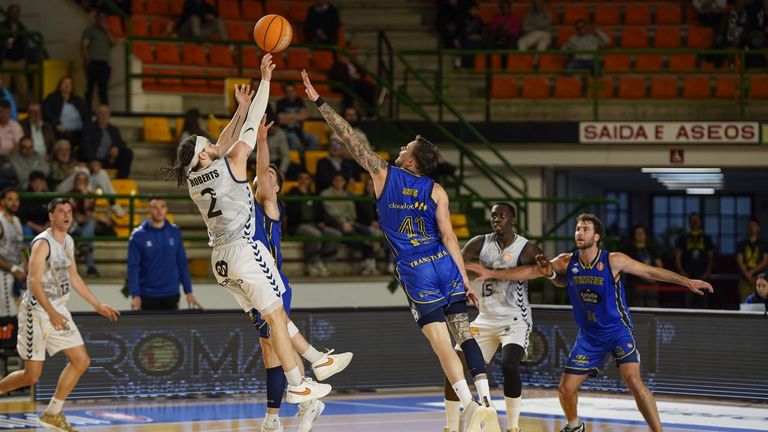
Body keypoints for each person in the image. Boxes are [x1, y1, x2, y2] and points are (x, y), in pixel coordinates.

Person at [302, 69, 499, 432]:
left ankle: (470, 406)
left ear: (411, 161)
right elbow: (451, 239)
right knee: (464, 333)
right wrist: (462, 276)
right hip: (444, 265)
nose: (402, 147)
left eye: (407, 146)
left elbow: (348, 138)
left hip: (416, 268)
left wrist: (319, 101)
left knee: (442, 344)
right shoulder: (437, 190)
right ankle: (486, 399)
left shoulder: (384, 173)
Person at [163, 55, 331, 404]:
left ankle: (312, 368)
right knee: (275, 315)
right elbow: (251, 128)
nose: (213, 143)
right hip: (243, 250)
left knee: (271, 319)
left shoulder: (195, 178)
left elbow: (222, 143)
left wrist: (238, 110)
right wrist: (264, 82)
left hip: (220, 263)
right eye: (207, 145)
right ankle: (299, 383)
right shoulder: (233, 164)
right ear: (204, 155)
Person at [466, 213, 713, 432]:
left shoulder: (613, 260)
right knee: (565, 389)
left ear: (596, 237)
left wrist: (686, 281)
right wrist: (494, 274)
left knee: (633, 380)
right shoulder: (566, 261)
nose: (579, 233)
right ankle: (574, 427)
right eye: (577, 229)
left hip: (617, 331)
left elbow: (650, 272)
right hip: (589, 337)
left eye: (585, 229)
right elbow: (533, 272)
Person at [251, 118, 353, 432]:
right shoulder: (247, 205)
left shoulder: (271, 205)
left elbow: (260, 171)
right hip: (254, 283)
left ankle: (312, 375)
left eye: (269, 175)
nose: (262, 177)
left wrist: (262, 142)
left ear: (277, 187)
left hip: (272, 283)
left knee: (275, 340)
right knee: (270, 349)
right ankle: (279, 413)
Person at [0, 198, 119, 431]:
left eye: (70, 211)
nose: (67, 215)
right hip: (37, 311)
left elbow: (74, 277)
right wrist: (51, 312)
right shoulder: (42, 243)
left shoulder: (69, 242)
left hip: (58, 309)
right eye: (61, 211)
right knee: (31, 376)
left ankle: (53, 413)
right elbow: (33, 281)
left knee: (81, 360)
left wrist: (96, 304)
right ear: (51, 216)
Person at [444, 203, 543, 432]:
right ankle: (450, 426)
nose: (497, 219)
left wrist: (546, 267)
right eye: (494, 216)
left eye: (502, 215)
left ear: (513, 220)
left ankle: (514, 427)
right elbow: (456, 264)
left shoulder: (525, 248)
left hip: (515, 319)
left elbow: (546, 270)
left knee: (509, 364)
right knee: (454, 369)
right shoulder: (480, 242)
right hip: (485, 319)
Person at [127, 197, 202, 311]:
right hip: (147, 294)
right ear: (149, 210)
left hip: (171, 293)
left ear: (166, 209)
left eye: (162, 207)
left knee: (172, 329)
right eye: (155, 208)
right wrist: (135, 295)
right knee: (149, 329)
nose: (159, 211)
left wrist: (189, 292)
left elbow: (181, 263)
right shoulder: (138, 236)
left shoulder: (174, 232)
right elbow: (133, 267)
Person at [320, 172, 378, 275]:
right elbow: (331, 213)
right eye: (336, 180)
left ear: (344, 182)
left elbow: (352, 213)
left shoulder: (348, 195)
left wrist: (349, 222)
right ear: (332, 182)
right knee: (358, 238)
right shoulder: (325, 194)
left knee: (368, 232)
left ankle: (369, 262)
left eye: (341, 180)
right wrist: (343, 223)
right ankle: (368, 262)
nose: (338, 183)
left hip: (350, 223)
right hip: (335, 224)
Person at [285, 170, 340, 277]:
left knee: (335, 234)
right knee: (315, 235)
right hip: (298, 225)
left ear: (310, 181)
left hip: (314, 224)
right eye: (301, 178)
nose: (304, 181)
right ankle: (313, 262)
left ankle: (325, 262)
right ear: (298, 180)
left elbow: (321, 212)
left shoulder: (314, 195)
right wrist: (300, 194)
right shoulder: (292, 194)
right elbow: (292, 213)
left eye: (306, 179)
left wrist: (321, 222)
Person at [79, 104, 134, 178]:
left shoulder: (113, 129)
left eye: (106, 113)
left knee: (127, 153)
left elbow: (121, 143)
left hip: (109, 159)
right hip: (95, 160)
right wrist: (93, 160)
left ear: (109, 115)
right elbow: (86, 146)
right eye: (100, 113)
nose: (103, 116)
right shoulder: (89, 128)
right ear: (97, 115)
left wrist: (116, 148)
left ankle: (121, 180)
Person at [674, 212, 715, 309]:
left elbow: (711, 257)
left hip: (703, 274)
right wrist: (681, 271)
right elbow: (677, 255)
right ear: (689, 222)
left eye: (696, 220)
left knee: (704, 302)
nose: (695, 222)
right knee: (688, 302)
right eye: (692, 220)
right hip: (688, 274)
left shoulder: (706, 238)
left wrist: (708, 272)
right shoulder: (683, 238)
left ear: (700, 222)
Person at [620, 225, 664, 307]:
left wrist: (657, 276)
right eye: (638, 233)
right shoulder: (629, 249)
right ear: (634, 235)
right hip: (636, 284)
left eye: (642, 233)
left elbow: (659, 264)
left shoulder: (652, 248)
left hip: (652, 283)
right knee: (638, 308)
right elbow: (630, 267)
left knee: (653, 307)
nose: (640, 235)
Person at [67, 170, 100, 276]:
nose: (80, 182)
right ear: (75, 181)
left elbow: (88, 211)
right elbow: (74, 215)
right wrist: (84, 216)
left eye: (83, 180)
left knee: (91, 223)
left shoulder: (90, 195)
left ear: (87, 182)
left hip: (85, 227)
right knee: (89, 234)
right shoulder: (69, 194)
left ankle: (83, 245)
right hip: (72, 226)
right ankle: (90, 266)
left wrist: (84, 195)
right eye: (78, 179)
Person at [81, 9, 116, 108]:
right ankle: (87, 110)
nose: (102, 20)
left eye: (104, 18)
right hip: (92, 62)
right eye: (100, 17)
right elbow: (84, 45)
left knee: (103, 88)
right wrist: (87, 59)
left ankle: (104, 109)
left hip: (104, 63)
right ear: (96, 18)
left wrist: (107, 30)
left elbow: (113, 42)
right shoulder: (90, 29)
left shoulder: (109, 30)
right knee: (90, 88)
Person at [0, 188, 25, 318]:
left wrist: (25, 269)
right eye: (10, 199)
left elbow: (21, 248)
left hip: (17, 273)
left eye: (16, 199)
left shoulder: (16, 221)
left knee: (18, 316)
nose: (14, 202)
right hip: (4, 273)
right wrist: (14, 269)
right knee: (6, 318)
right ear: (2, 202)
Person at [42, 76, 88, 146]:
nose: (67, 85)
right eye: (65, 83)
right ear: (60, 85)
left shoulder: (77, 100)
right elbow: (47, 112)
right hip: (59, 130)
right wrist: (57, 123)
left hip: (78, 132)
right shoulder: (52, 98)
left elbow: (85, 115)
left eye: (69, 83)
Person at [276, 83, 319, 154]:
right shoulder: (280, 102)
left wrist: (287, 117)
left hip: (299, 130)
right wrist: (298, 116)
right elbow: (281, 120)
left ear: (295, 92)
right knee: (295, 141)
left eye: (292, 91)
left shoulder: (299, 101)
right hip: (286, 131)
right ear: (285, 93)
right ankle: (302, 160)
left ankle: (309, 157)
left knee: (314, 139)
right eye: (288, 91)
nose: (290, 93)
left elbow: (305, 116)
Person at [0, 3, 29, 108]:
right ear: (8, 13)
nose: (15, 14)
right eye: (13, 12)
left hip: (20, 60)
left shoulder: (22, 27)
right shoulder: (2, 26)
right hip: (6, 59)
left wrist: (25, 59)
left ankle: (22, 109)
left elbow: (25, 44)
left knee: (23, 88)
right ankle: (2, 108)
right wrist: (3, 45)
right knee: (3, 88)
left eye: (17, 12)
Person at [736, 217, 768, 302]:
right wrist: (747, 276)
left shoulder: (764, 244)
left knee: (762, 303)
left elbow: (765, 261)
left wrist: (751, 272)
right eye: (750, 225)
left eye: (754, 225)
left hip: (760, 279)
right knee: (744, 303)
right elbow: (739, 261)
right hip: (744, 279)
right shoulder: (741, 243)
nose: (752, 227)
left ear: (758, 227)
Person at [488, 1, 522, 68]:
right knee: (490, 39)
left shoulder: (514, 18)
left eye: (506, 7)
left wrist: (507, 29)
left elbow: (516, 32)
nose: (504, 9)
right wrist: (498, 28)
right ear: (500, 8)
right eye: (502, 7)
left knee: (509, 42)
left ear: (509, 8)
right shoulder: (496, 18)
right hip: (497, 37)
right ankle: (489, 65)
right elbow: (492, 29)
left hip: (509, 38)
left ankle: (505, 67)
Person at [18, 171, 49, 238]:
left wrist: (46, 227)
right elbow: (23, 218)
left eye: (40, 182)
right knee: (26, 230)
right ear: (30, 183)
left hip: (45, 226)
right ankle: (28, 248)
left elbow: (52, 215)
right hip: (30, 226)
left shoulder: (48, 196)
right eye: (35, 182)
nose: (38, 185)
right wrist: (38, 228)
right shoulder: (25, 196)